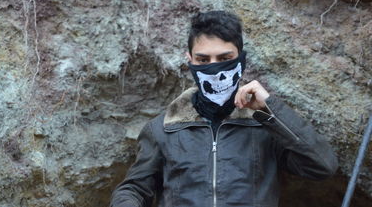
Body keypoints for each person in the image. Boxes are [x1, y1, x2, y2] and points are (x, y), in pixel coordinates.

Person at [110, 11, 338, 207]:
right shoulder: (163, 129)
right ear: (190, 60)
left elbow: (322, 166)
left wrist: (271, 111)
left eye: (224, 58)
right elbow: (134, 189)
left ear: (241, 59)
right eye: (203, 59)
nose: (213, 66)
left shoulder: (266, 126)